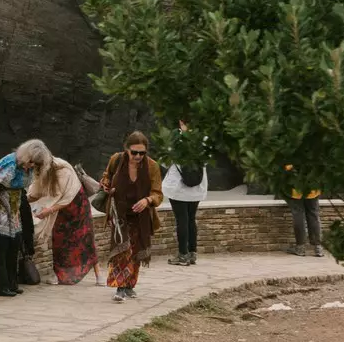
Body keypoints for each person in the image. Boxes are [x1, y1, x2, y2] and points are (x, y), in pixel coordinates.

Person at [17, 138, 96, 284]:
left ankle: (97, 275)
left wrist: (48, 210)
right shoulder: (41, 169)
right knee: (59, 241)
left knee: (85, 239)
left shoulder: (62, 169)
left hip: (75, 205)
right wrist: (22, 200)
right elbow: (37, 192)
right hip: (59, 209)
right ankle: (60, 275)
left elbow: (64, 197)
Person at [101, 131, 163, 302]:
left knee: (135, 251)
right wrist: (106, 185)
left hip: (141, 216)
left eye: (141, 153)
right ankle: (119, 286)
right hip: (119, 212)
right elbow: (106, 177)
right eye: (134, 152)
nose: (137, 156)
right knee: (122, 249)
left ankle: (129, 285)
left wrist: (147, 200)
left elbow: (158, 194)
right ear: (126, 149)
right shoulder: (116, 160)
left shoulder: (152, 166)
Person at [163, 124, 207, 265]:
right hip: (196, 187)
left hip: (178, 188)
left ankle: (182, 255)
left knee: (181, 220)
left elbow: (166, 161)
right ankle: (192, 253)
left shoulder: (176, 139)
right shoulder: (204, 139)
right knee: (191, 219)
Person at [0, 152, 31, 298]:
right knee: (1, 250)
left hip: (14, 212)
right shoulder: (10, 163)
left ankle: (11, 283)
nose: (31, 166)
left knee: (13, 248)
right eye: (31, 163)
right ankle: (1, 286)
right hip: (3, 211)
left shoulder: (26, 169)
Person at [284, 164, 324, 257]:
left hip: (296, 188)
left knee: (298, 215)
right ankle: (318, 248)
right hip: (313, 187)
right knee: (313, 215)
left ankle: (300, 247)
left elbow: (287, 166)